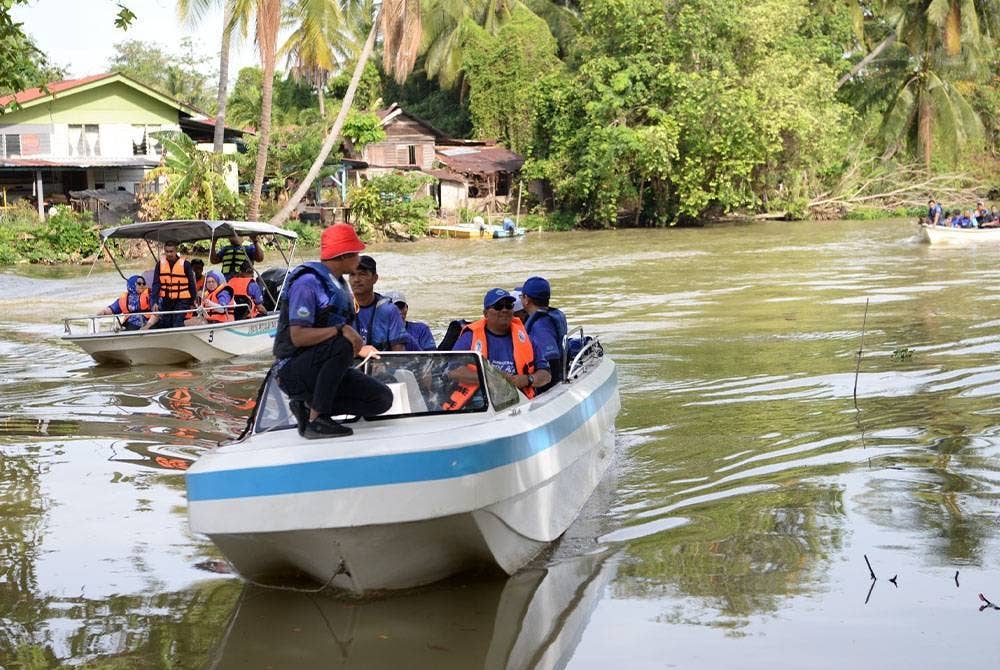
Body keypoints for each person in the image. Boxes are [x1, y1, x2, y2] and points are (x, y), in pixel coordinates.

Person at [273, 224, 394, 439]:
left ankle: (307, 408)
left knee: (381, 399)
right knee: (342, 342)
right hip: (293, 371)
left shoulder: (336, 284)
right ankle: (316, 420)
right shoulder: (308, 283)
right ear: (343, 255)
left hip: (321, 368)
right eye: (355, 253)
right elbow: (298, 337)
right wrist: (341, 330)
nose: (358, 257)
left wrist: (360, 347)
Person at [448, 288, 551, 405]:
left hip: (520, 404)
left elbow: (546, 375)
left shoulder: (526, 339)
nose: (504, 310)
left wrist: (528, 379)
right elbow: (453, 372)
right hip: (480, 405)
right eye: (498, 306)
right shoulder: (470, 337)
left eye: (509, 306)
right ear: (486, 314)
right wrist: (493, 379)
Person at [519, 276, 569, 392]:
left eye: (522, 296)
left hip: (550, 384)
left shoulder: (540, 326)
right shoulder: (552, 315)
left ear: (526, 299)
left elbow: (552, 359)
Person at [349, 255, 407, 351]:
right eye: (352, 275)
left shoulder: (389, 310)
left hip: (381, 363)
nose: (356, 280)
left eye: (362, 274)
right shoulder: (342, 306)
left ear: (375, 278)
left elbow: (398, 352)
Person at [146, 240, 196, 330]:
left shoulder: (185, 265)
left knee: (177, 323)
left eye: (171, 251)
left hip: (182, 300)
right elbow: (156, 284)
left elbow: (191, 285)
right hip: (166, 300)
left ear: (176, 251)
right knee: (166, 324)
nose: (169, 254)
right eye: (167, 251)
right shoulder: (159, 265)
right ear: (164, 251)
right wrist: (154, 301)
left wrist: (192, 301)